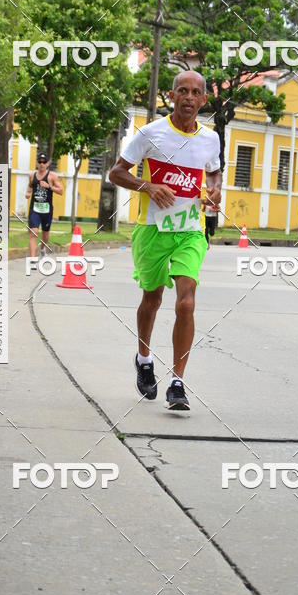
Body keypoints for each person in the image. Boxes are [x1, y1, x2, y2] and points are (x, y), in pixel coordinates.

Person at [109, 71, 222, 411]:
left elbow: (213, 170)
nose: (189, 97)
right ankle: (144, 359)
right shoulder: (150, 133)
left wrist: (214, 189)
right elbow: (116, 172)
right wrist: (148, 186)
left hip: (189, 231)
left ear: (204, 100)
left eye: (196, 93)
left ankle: (178, 382)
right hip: (152, 231)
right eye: (182, 91)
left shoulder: (211, 138)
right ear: (171, 96)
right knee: (152, 299)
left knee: (186, 302)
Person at [26, 152, 64, 257]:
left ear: (47, 164)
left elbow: (61, 191)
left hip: (47, 210)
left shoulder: (52, 176)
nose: (42, 164)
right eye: (40, 162)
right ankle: (32, 259)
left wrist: (49, 187)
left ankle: (42, 249)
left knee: (45, 235)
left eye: (44, 162)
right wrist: (28, 192)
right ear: (37, 163)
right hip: (35, 209)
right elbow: (30, 185)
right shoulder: (32, 175)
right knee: (34, 232)